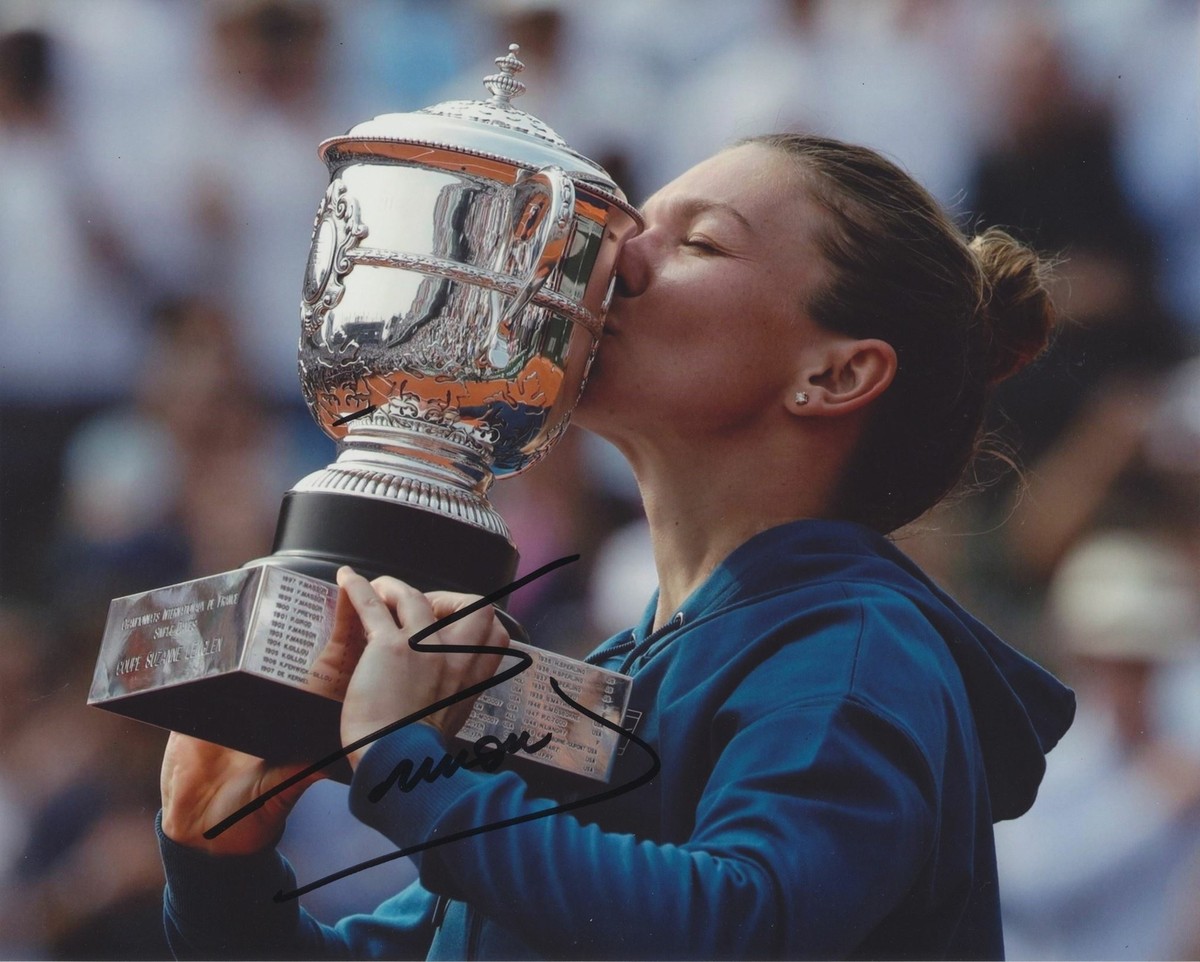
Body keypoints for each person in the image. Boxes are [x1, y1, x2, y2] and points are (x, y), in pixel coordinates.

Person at [155, 134, 1075, 959]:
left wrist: (410, 770)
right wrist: (219, 868)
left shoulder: (856, 652)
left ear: (835, 373)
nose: (610, 259)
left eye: (701, 242)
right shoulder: (606, 682)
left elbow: (740, 927)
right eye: (633, 228)